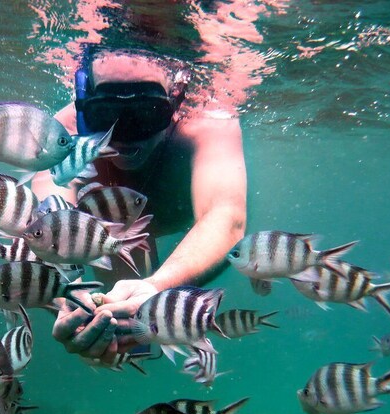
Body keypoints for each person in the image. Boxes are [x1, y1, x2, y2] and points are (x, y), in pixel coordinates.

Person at [31, 49, 247, 365]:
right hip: (106, 234)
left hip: (115, 236)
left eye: (147, 113)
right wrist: (70, 293)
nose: (126, 135)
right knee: (112, 340)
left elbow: (225, 215)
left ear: (176, 100)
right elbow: (47, 221)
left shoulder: (207, 122)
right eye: (106, 114)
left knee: (122, 333)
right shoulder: (62, 133)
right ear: (85, 106)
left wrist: (156, 287)